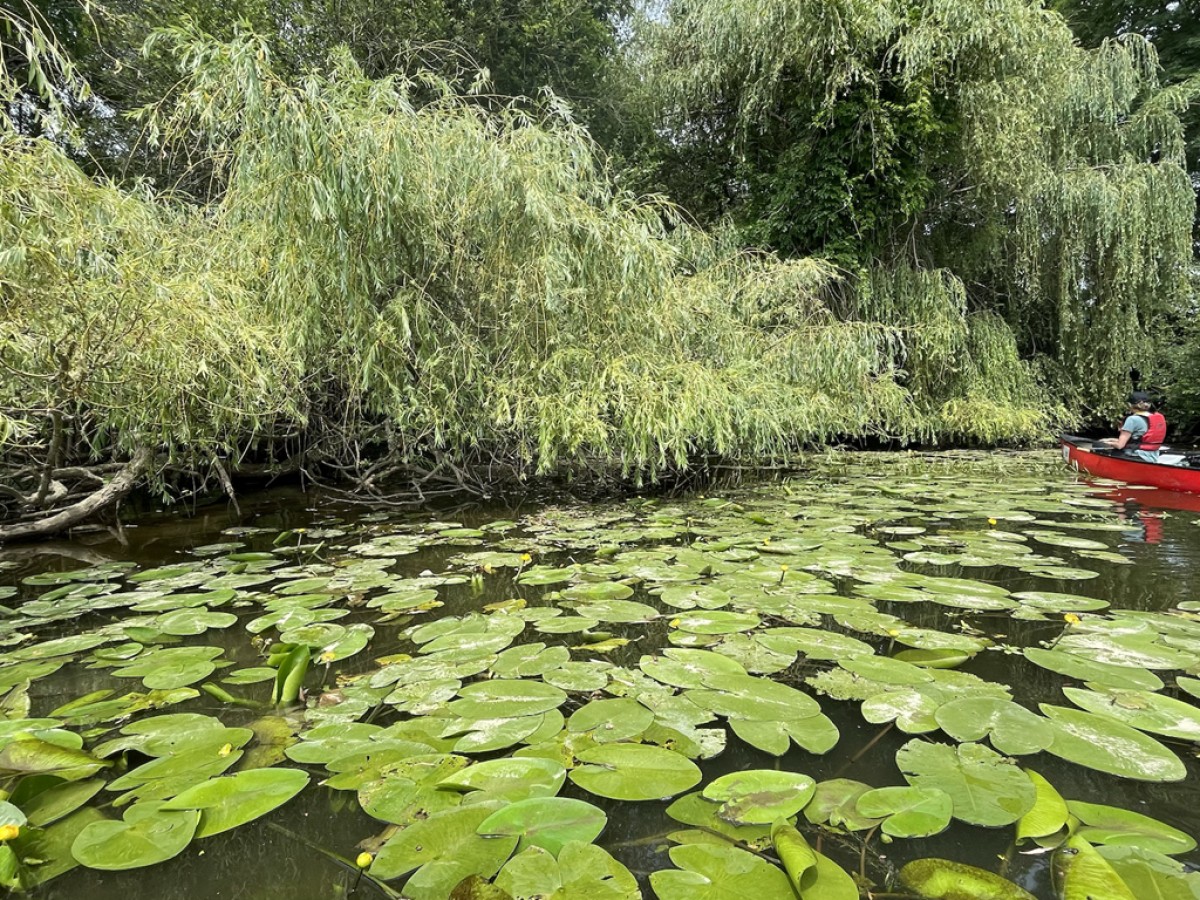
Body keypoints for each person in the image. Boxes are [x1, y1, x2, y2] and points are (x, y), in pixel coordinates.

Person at [1100, 391, 1166, 462]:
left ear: (1129, 405)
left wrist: (1104, 443)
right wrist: (1110, 439)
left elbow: (1120, 445)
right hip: (1153, 458)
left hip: (1138, 457)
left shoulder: (1132, 419)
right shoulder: (1155, 416)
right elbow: (1137, 441)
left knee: (1112, 451)